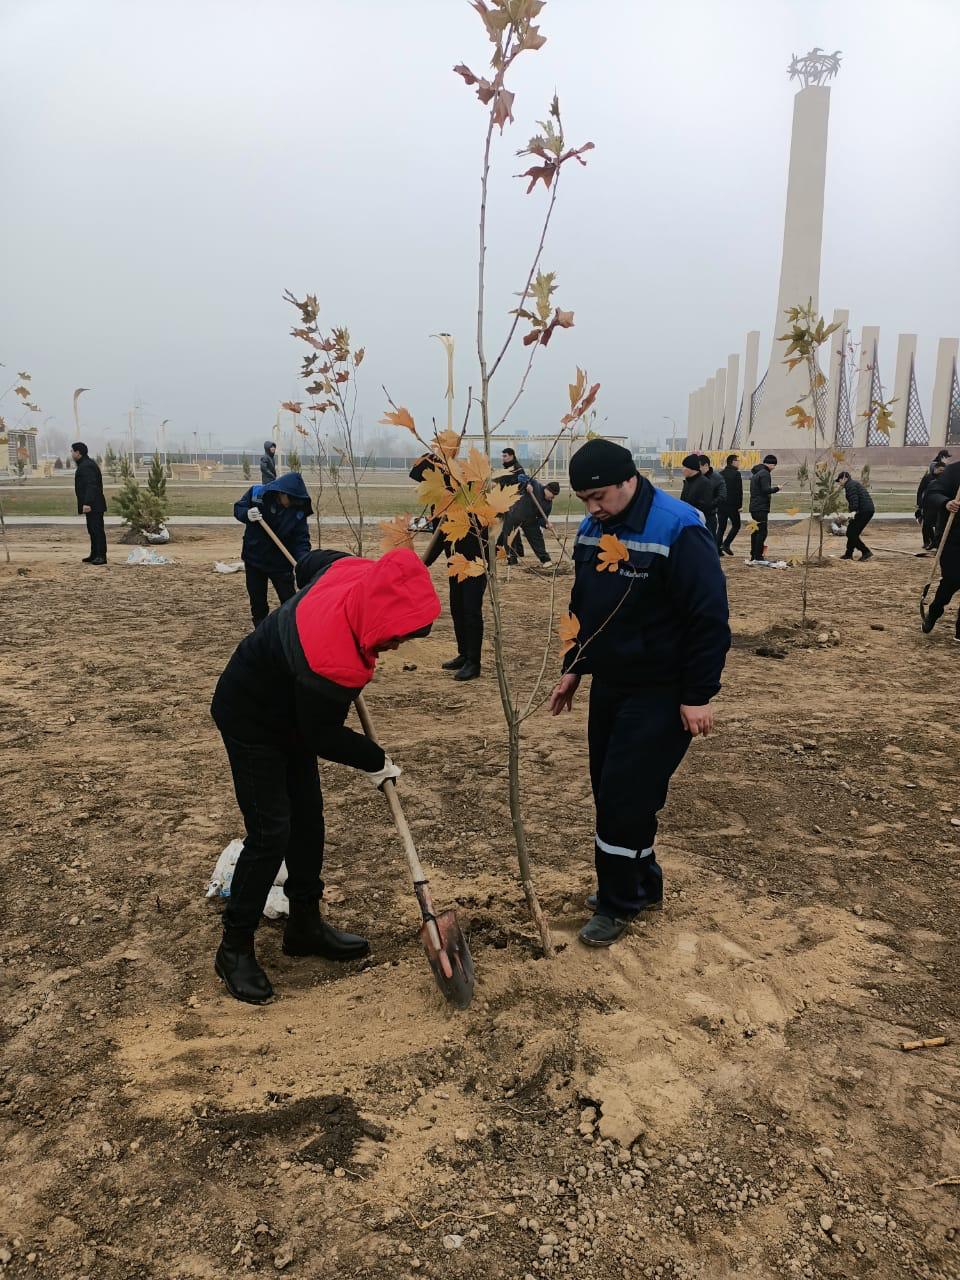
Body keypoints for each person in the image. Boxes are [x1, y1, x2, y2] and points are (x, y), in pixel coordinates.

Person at [210, 546, 442, 1003]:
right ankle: (234, 948)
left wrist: (312, 605)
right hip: (251, 715)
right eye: (397, 636)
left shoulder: (353, 571)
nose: (397, 646)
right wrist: (375, 760)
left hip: (293, 712)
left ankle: (304, 924)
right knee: (271, 832)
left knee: (308, 819)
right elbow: (322, 735)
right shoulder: (331, 660)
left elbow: (309, 564)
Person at [548, 439, 730, 947]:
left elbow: (709, 618)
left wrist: (698, 694)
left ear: (629, 480)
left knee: (625, 797)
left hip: (662, 690)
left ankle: (617, 902)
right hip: (611, 684)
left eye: (599, 496)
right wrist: (575, 667)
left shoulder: (679, 528)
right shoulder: (593, 529)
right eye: (584, 499)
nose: (592, 509)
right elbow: (584, 603)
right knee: (611, 790)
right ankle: (641, 883)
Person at [410, 450, 486, 681]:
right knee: (457, 608)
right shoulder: (439, 503)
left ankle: (474, 662)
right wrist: (423, 564)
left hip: (474, 562)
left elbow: (487, 524)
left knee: (471, 611)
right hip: (454, 563)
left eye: (425, 480)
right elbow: (439, 538)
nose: (423, 487)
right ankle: (463, 654)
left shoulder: (467, 492)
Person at [234, 473, 313, 627]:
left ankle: (291, 632)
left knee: (290, 602)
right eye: (290, 499)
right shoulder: (257, 494)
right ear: (282, 493)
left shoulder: (298, 510)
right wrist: (246, 514)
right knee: (258, 604)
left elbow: (301, 540)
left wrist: (303, 562)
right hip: (254, 559)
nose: (292, 503)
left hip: (281, 564)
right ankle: (260, 632)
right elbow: (238, 508)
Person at [921, 460, 960, 643]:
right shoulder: (955, 470)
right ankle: (935, 611)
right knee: (952, 580)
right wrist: (946, 502)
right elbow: (932, 493)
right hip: (953, 538)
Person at [500, 478, 560, 566]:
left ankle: (545, 559)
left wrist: (546, 524)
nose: (553, 497)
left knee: (537, 538)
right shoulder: (535, 485)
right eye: (553, 494)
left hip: (530, 520)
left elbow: (541, 519)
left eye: (555, 495)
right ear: (547, 489)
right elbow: (521, 477)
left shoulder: (548, 504)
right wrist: (527, 484)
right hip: (514, 514)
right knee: (509, 536)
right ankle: (512, 559)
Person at [71, 442, 108, 565]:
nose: (71, 454)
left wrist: (87, 503)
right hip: (92, 505)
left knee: (97, 530)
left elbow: (91, 485)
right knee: (92, 530)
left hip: (94, 505)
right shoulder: (85, 464)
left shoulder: (87, 466)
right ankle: (94, 554)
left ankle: (101, 556)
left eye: (72, 451)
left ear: (78, 452)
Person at [836, 470, 875, 561]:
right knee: (851, 532)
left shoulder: (850, 485)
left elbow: (854, 498)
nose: (839, 483)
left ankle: (866, 552)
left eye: (839, 480)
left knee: (851, 533)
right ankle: (848, 554)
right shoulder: (852, 484)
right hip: (864, 510)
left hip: (864, 511)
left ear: (844, 478)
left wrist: (853, 511)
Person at [748, 454, 780, 563]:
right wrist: (777, 488)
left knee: (755, 531)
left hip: (754, 507)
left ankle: (753, 555)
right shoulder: (765, 474)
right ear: (770, 464)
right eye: (774, 465)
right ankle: (758, 556)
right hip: (761, 507)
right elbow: (766, 489)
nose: (774, 468)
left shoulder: (756, 473)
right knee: (762, 532)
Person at [717, 454, 743, 557]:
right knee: (736, 525)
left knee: (721, 527)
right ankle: (726, 544)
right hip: (732, 505)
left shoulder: (720, 474)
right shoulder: (736, 474)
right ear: (732, 462)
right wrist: (739, 505)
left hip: (721, 504)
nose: (739, 462)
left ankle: (717, 549)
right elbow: (739, 491)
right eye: (737, 460)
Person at [917, 462, 946, 550]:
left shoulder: (945, 478)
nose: (942, 472)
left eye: (943, 470)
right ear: (935, 469)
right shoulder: (928, 478)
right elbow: (920, 491)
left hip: (939, 505)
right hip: (927, 505)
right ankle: (927, 542)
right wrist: (919, 504)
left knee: (938, 525)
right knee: (926, 524)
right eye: (940, 470)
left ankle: (935, 543)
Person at [698, 455, 727, 544]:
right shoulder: (696, 477)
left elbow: (722, 496)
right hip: (696, 515)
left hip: (709, 516)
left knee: (710, 542)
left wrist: (709, 505)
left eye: (698, 467)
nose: (696, 469)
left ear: (706, 465)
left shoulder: (717, 478)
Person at [679, 453, 712, 521]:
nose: (682, 469)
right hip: (689, 519)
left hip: (700, 521)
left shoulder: (704, 483)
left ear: (692, 468)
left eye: (684, 467)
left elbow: (706, 506)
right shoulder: (688, 481)